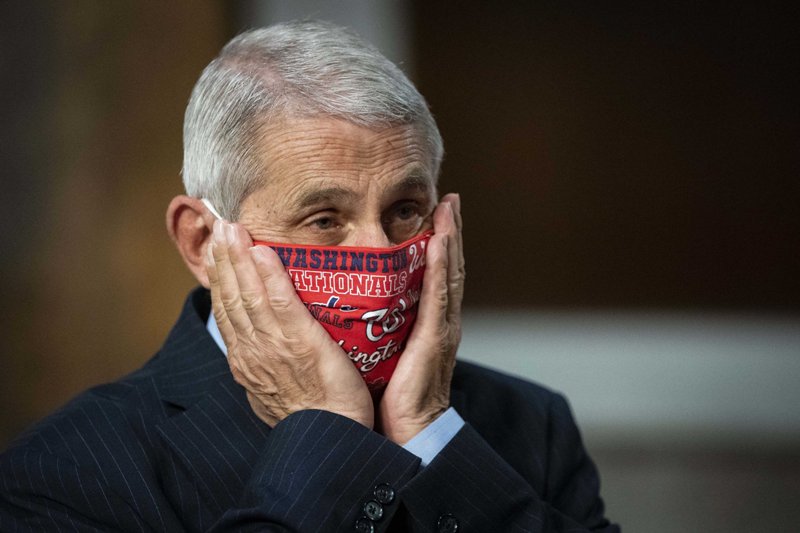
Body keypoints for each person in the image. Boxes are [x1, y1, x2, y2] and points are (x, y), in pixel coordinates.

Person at [0, 21, 619, 532]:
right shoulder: (67, 471)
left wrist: (432, 436)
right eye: (324, 219)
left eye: (405, 210)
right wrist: (327, 436)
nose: (380, 253)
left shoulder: (531, 424)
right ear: (203, 241)